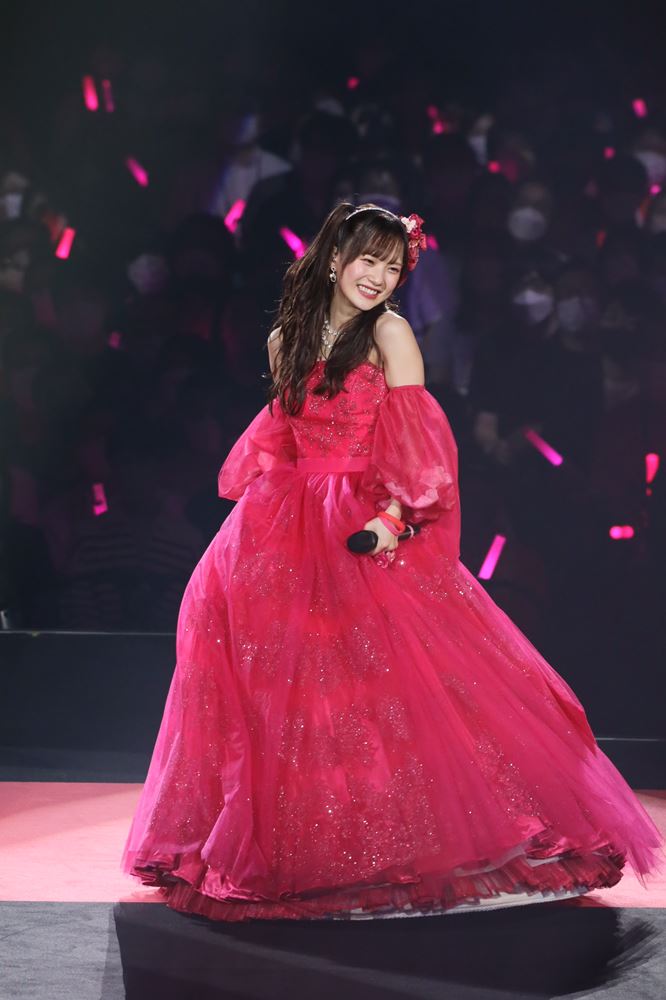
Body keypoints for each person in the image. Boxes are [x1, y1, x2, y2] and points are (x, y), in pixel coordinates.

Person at [122, 203, 664, 921]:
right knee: (280, 683)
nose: (378, 276)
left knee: (392, 679)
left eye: (392, 265)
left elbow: (417, 446)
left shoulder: (390, 333)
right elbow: (284, 439)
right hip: (280, 523)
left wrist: (392, 520)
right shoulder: (285, 339)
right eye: (367, 259)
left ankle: (412, 839)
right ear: (334, 258)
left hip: (361, 516)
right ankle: (286, 842)